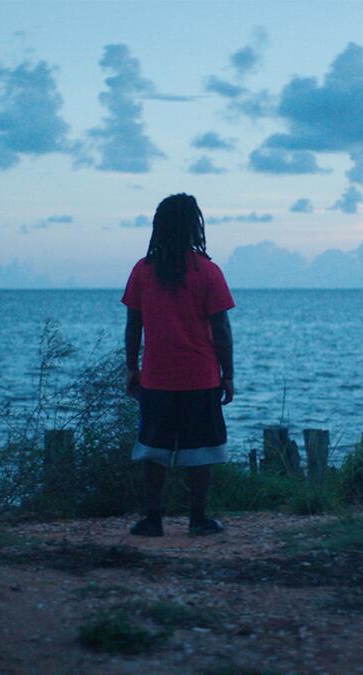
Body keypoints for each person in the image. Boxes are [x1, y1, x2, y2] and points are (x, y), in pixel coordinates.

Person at [121, 193, 235, 537]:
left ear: (159, 227)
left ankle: (152, 519)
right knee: (201, 449)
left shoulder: (143, 271)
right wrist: (227, 374)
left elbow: (133, 325)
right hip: (200, 377)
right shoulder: (209, 272)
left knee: (153, 450)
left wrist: (131, 367)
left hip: (156, 378)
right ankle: (198, 519)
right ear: (193, 227)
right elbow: (222, 329)